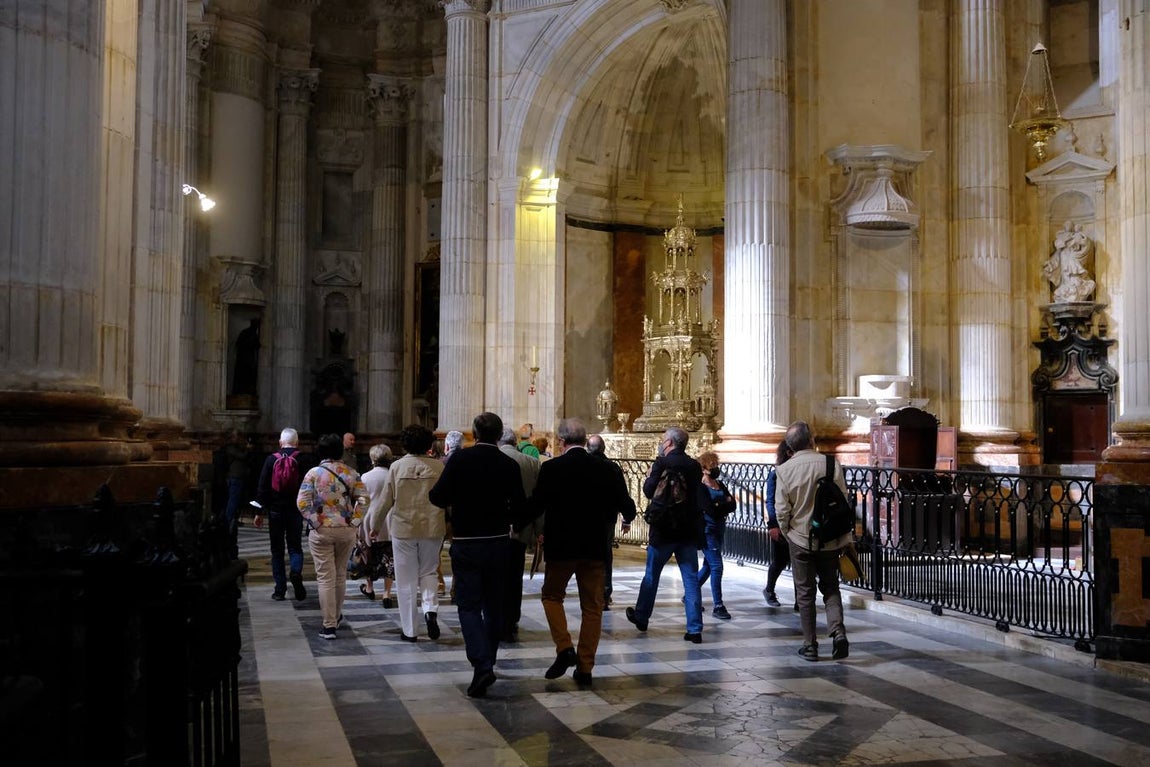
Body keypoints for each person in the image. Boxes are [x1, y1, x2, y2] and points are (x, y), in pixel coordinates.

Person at [528, 418, 635, 687]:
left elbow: (536, 505)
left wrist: (516, 521)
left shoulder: (552, 468)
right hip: (594, 547)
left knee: (552, 596)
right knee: (592, 607)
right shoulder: (608, 468)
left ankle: (564, 648)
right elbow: (628, 507)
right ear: (585, 440)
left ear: (561, 442)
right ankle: (585, 667)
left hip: (561, 547)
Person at [429, 412, 528, 698]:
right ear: (498, 436)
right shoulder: (508, 464)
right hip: (498, 542)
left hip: (467, 541)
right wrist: (509, 518)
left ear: (474, 433)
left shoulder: (460, 459)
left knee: (469, 605)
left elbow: (438, 496)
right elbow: (520, 506)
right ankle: (488, 660)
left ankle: (482, 664)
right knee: (494, 605)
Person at [774, 420, 851, 661]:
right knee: (830, 587)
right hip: (829, 539)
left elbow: (781, 511)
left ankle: (810, 646)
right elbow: (843, 503)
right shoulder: (830, 463)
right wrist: (845, 537)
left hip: (800, 538)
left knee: (805, 593)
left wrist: (789, 534)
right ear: (812, 440)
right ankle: (838, 633)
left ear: (789, 447)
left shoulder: (784, 471)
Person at [626, 426, 705, 643]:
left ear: (669, 443)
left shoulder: (662, 463)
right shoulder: (694, 466)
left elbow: (649, 490)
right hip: (687, 531)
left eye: (663, 441)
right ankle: (695, 629)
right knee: (690, 580)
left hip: (662, 531)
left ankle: (642, 616)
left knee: (652, 575)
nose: (662, 444)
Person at [376, 425, 447, 642]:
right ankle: (430, 610)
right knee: (429, 572)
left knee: (406, 580)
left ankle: (410, 631)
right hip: (433, 526)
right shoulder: (438, 467)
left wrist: (374, 526)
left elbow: (385, 501)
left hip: (404, 527)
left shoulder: (396, 467)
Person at [297, 433, 369, 640]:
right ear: (339, 451)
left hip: (322, 531)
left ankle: (329, 626)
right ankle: (336, 617)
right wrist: (355, 520)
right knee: (339, 575)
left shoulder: (313, 473)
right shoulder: (352, 473)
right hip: (346, 530)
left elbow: (302, 502)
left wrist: (315, 520)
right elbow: (364, 499)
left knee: (325, 577)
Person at [497, 426, 541, 642]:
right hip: (521, 528)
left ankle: (496, 618)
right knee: (515, 576)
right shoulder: (531, 462)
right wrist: (540, 531)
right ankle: (512, 618)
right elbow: (538, 500)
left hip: (495, 529)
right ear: (515, 442)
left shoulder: (493, 458)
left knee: (495, 575)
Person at [255, 428, 307, 602]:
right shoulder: (303, 459)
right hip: (296, 510)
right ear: (297, 442)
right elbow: (309, 487)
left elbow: (262, 488)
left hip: (275, 511)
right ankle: (295, 571)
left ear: (280, 442)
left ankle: (279, 590)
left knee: (277, 551)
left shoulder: (271, 460)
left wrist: (259, 512)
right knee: (295, 547)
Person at [586, 433, 636, 608]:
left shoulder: (581, 466)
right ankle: (604, 595)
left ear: (587, 447)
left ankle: (588, 593)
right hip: (606, 519)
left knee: (584, 555)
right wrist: (628, 517)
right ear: (604, 448)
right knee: (605, 556)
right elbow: (622, 495)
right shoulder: (611, 468)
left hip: (584, 519)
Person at [696, 451, 736, 620]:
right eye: (712, 466)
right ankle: (718, 605)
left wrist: (721, 505)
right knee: (717, 566)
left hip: (719, 529)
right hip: (708, 530)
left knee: (708, 566)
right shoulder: (701, 487)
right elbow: (710, 509)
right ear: (704, 469)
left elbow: (733, 504)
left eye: (716, 465)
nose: (715, 468)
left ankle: (690, 594)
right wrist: (722, 504)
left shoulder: (719, 484)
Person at [360, 444, 395, 606]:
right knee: (389, 556)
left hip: (370, 518)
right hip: (390, 519)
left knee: (369, 554)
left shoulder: (365, 477)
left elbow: (360, 502)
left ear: (373, 458)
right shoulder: (393, 475)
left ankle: (369, 587)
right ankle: (387, 593)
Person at [764, 440, 797, 609]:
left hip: (798, 523)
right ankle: (769, 589)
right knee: (780, 561)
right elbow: (770, 501)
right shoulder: (776, 474)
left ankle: (801, 600)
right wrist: (773, 524)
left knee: (800, 564)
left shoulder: (800, 472)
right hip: (781, 522)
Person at [222, 430, 250, 530]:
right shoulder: (230, 448)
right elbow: (242, 456)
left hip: (239, 476)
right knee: (233, 500)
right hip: (234, 476)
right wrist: (247, 449)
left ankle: (234, 518)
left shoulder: (236, 447)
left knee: (237, 500)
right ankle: (228, 520)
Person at [232, 318, 260, 397]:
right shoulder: (246, 333)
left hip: (249, 360)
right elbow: (239, 344)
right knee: (244, 377)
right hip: (244, 360)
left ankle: (249, 391)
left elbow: (258, 345)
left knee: (250, 376)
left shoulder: (254, 334)